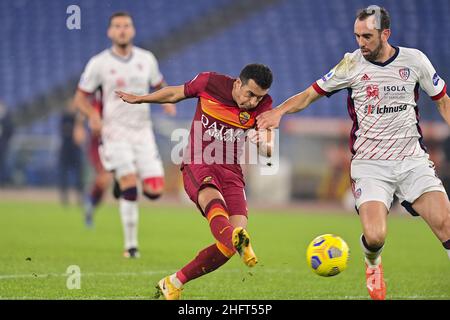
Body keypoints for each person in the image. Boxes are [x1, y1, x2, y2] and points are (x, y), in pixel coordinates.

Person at [256, 6, 450, 300]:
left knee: (447, 226)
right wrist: (280, 111)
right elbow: (310, 94)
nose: (361, 43)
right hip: (370, 165)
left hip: (412, 161)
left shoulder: (415, 60)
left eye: (367, 36)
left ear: (386, 34)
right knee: (375, 236)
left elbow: (443, 101)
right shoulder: (351, 65)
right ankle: (373, 263)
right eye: (357, 36)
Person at [116, 63, 275, 300]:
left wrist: (261, 142)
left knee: (230, 243)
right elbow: (174, 93)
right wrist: (141, 99)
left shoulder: (264, 105)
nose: (253, 102)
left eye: (258, 97)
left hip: (232, 172)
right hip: (198, 162)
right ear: (238, 83)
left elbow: (269, 149)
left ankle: (173, 282)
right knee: (217, 206)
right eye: (250, 94)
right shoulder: (209, 82)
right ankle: (239, 240)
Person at [74, 12, 176, 258]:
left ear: (133, 30)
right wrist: (92, 116)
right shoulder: (99, 63)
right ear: (110, 32)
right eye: (117, 26)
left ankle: (122, 182)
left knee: (154, 191)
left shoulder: (146, 59)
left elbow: (159, 84)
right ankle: (131, 247)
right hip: (114, 132)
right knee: (131, 183)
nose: (122, 30)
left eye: (126, 26)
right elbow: (79, 98)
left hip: (143, 132)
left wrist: (167, 101)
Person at [83, 96, 113, 227]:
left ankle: (90, 203)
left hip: (115, 144)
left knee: (105, 182)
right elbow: (90, 115)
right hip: (99, 144)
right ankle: (89, 203)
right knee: (104, 178)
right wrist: (79, 126)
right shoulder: (100, 100)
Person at [58, 99, 85, 206]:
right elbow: (64, 131)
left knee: (79, 176)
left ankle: (80, 197)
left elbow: (80, 137)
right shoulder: (64, 117)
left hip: (75, 151)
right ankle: (64, 198)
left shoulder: (78, 119)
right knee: (63, 175)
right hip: (65, 150)